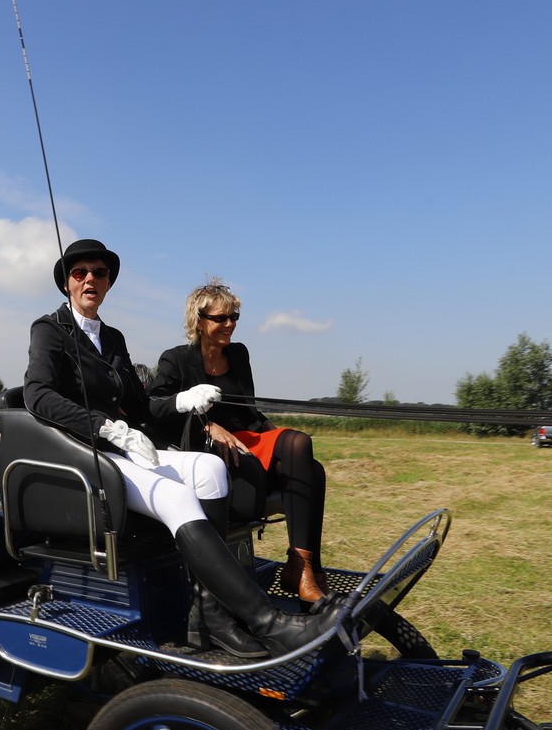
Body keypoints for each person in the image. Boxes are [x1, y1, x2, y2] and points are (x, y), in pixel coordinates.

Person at [23, 238, 339, 658]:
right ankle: (269, 622)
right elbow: (37, 395)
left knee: (210, 469)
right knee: (176, 497)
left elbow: (142, 406)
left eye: (99, 272)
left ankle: (209, 614)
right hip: (85, 454)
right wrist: (106, 428)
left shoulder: (112, 338)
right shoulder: (49, 330)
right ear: (67, 283)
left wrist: (183, 402)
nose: (90, 280)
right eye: (79, 273)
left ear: (109, 282)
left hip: (124, 449)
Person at [148, 279, 333, 602]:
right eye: (220, 318)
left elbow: (248, 410)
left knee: (306, 459)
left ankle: (302, 568)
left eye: (233, 317)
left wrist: (273, 432)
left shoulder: (238, 354)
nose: (230, 324)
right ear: (199, 322)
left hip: (248, 438)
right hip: (212, 450)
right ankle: (307, 571)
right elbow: (155, 408)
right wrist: (207, 426)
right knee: (305, 456)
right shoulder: (175, 360)